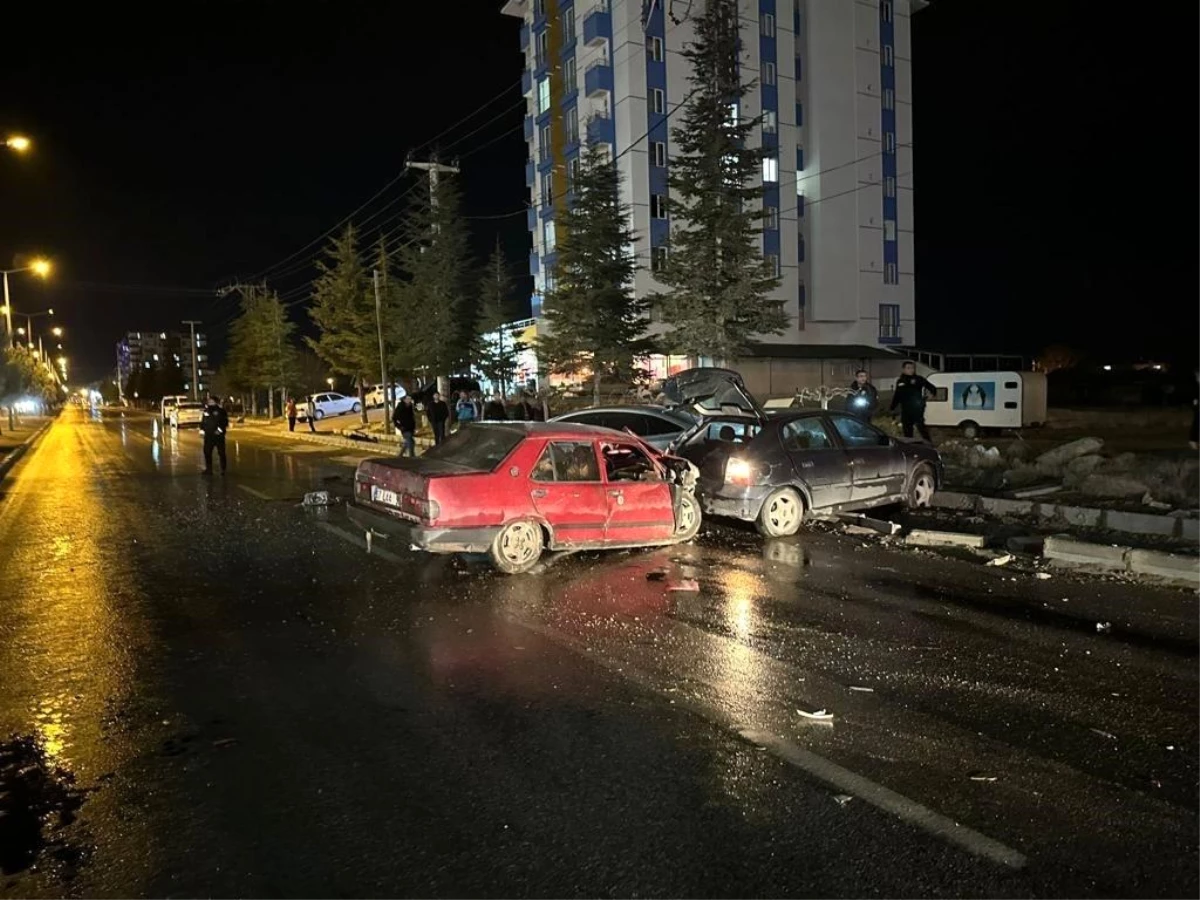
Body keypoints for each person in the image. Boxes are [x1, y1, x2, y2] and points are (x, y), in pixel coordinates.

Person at [889, 360, 936, 442]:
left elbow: (932, 388)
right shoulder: (900, 381)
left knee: (921, 427)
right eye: (908, 368)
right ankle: (910, 446)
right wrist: (892, 407)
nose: (911, 370)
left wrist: (930, 395)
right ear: (903, 369)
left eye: (912, 368)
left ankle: (929, 444)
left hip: (917, 408)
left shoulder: (919, 379)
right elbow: (897, 395)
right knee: (907, 429)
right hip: (906, 409)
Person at [199, 393, 229, 475]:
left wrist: (219, 431)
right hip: (208, 436)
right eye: (209, 402)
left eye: (211, 401)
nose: (210, 403)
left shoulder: (221, 411)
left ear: (216, 402)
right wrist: (202, 429)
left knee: (221, 452)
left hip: (218, 436)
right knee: (207, 452)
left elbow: (224, 422)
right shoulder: (206, 411)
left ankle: (223, 469)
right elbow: (203, 421)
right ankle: (209, 469)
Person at [1190, 368, 1200, 451]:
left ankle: (1193, 441)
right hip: (1198, 407)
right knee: (1196, 423)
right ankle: (1193, 441)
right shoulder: (1195, 386)